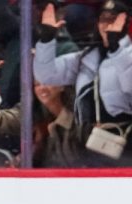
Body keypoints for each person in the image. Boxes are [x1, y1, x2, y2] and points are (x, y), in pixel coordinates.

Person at [35, 0, 132, 166]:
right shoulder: (85, 58)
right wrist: (47, 40)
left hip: (124, 145)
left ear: (126, 23)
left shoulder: (127, 56)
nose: (107, 25)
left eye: (114, 19)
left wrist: (118, 51)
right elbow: (46, 75)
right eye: (103, 19)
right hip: (86, 142)